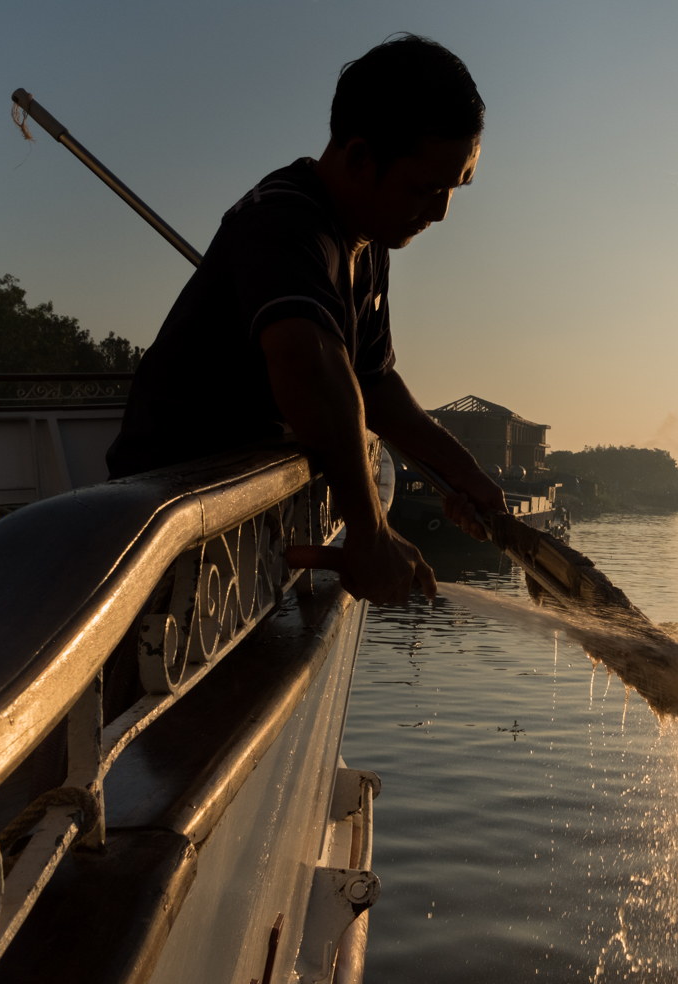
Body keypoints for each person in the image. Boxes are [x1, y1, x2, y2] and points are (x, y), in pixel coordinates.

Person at [105, 35, 504, 605]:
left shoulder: (368, 239)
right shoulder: (285, 223)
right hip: (164, 516)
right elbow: (310, 362)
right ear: (361, 157)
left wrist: (461, 470)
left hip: (241, 516)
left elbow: (371, 379)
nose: (440, 212)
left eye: (454, 189)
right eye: (425, 188)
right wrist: (369, 532)